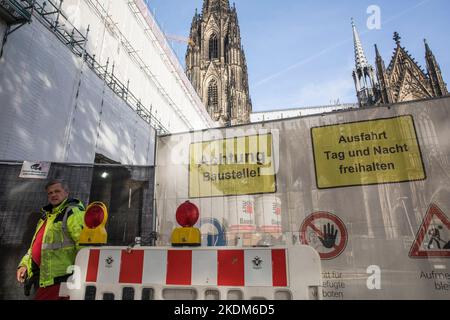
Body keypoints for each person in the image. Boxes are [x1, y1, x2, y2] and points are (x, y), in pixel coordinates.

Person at [16, 180, 85, 300]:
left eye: (57, 191)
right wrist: (24, 265)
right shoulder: (46, 217)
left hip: (63, 280)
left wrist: (82, 276)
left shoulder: (73, 213)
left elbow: (83, 246)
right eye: (50, 193)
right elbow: (35, 246)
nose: (53, 195)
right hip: (46, 279)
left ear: (67, 192)